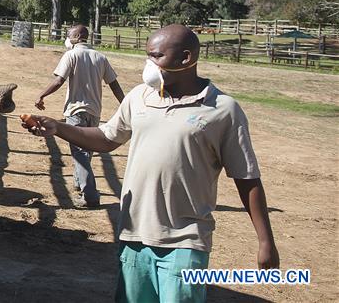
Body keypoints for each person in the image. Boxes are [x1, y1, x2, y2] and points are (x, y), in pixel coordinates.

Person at [24, 25, 279, 302]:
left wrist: (265, 241)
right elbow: (106, 138)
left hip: (186, 241)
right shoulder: (139, 97)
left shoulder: (223, 110)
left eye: (156, 56)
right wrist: (58, 128)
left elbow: (247, 178)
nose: (149, 64)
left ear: (185, 58)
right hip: (133, 236)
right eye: (148, 55)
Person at [35, 24, 124, 208]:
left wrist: (42, 95)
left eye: (69, 36)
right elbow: (114, 84)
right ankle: (79, 182)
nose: (67, 39)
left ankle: (89, 195)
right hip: (94, 112)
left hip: (75, 111)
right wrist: (125, 103)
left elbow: (59, 80)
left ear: (76, 37)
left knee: (79, 153)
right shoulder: (100, 57)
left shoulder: (72, 55)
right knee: (86, 149)